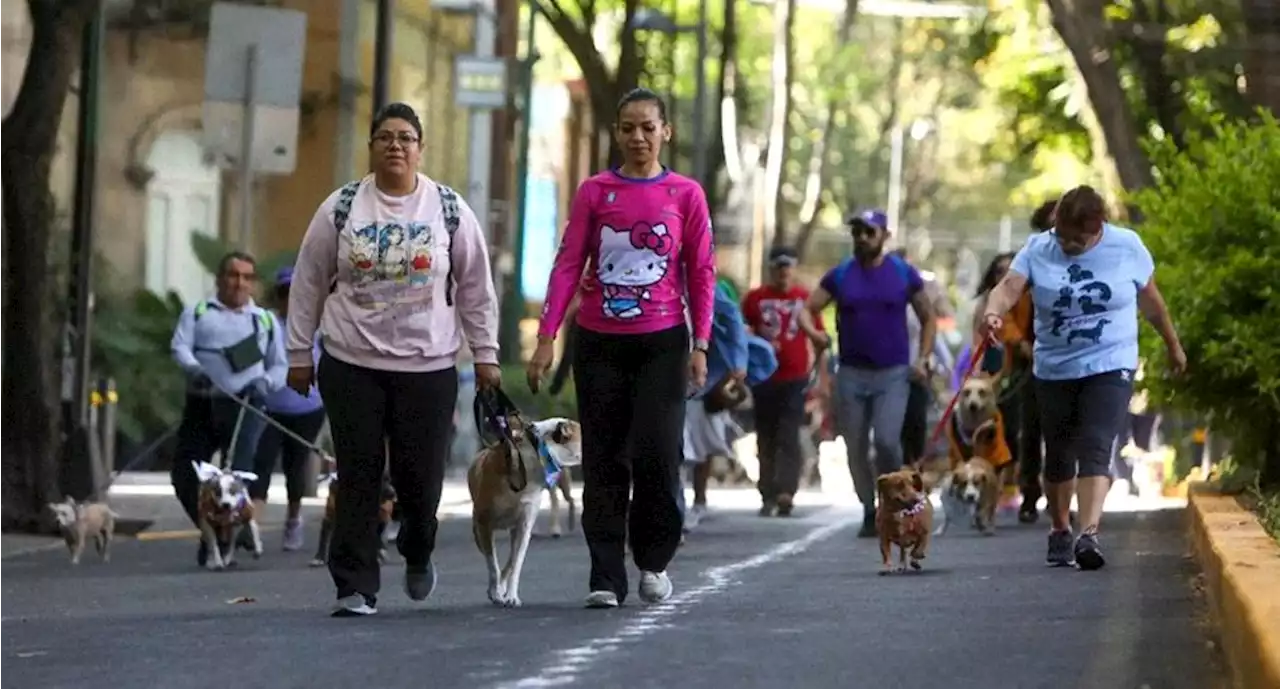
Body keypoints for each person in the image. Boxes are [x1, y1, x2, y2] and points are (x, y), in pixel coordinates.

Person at [285, 102, 502, 616]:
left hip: (427, 368)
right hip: (351, 362)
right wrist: (299, 353)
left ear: (420, 149)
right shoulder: (340, 208)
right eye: (385, 137)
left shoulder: (448, 210)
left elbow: (476, 288)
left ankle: (418, 547)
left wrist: (487, 354)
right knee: (357, 476)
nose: (396, 146)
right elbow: (308, 281)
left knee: (420, 482)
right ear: (372, 147)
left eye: (406, 137)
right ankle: (355, 585)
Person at [527, 87, 716, 609]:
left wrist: (700, 343)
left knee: (658, 455)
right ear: (617, 132)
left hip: (661, 343)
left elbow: (700, 272)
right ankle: (605, 575)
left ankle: (653, 560)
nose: (638, 137)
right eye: (628, 128)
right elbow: (568, 262)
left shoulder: (685, 195)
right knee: (605, 460)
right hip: (600, 344)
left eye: (648, 128)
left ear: (665, 133)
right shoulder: (595, 191)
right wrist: (547, 337)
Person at [981, 185, 1185, 570]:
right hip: (1055, 366)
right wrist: (994, 313)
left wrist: (1173, 345)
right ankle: (1060, 527)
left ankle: (1088, 533)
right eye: (1063, 235)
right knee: (1057, 454)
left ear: (1099, 227)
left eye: (1078, 238)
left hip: (1111, 361)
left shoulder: (1127, 246)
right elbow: (1008, 288)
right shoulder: (1039, 247)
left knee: (1096, 443)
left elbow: (1152, 302)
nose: (1068, 244)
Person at [808, 209, 935, 538]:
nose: (862, 238)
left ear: (884, 236)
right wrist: (815, 334)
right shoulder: (841, 274)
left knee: (887, 441)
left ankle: (894, 502)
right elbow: (807, 309)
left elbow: (928, 317)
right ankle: (869, 507)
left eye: (869, 232)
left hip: (893, 373)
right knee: (855, 447)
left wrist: (923, 358)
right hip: (851, 373)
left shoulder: (903, 273)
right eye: (857, 232)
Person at [170, 251, 287, 566]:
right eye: (233, 275)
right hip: (202, 402)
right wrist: (195, 369)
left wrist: (265, 382)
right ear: (220, 279)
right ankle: (208, 528)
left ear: (254, 284)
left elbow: (279, 366)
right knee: (184, 474)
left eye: (247, 277)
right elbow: (180, 347)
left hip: (246, 405)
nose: (239, 283)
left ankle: (223, 543)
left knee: (235, 478)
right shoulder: (197, 313)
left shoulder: (265, 321)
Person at [682, 277, 778, 531]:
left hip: (706, 375)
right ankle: (673, 507)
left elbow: (733, 319)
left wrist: (738, 364)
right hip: (667, 371)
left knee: (702, 445)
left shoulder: (707, 284)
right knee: (674, 445)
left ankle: (699, 501)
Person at [741, 246, 828, 517]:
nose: (783, 271)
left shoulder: (805, 298)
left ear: (794, 267)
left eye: (788, 265)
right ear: (771, 268)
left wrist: (822, 378)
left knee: (789, 434)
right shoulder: (755, 298)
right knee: (765, 435)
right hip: (763, 377)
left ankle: (786, 491)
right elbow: (742, 334)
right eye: (778, 266)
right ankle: (767, 491)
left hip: (795, 377)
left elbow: (820, 339)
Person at [248, 266, 327, 552]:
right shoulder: (266, 324)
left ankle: (294, 518)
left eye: (296, 292)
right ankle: (252, 525)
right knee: (261, 464)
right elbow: (246, 356)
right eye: (284, 293)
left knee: (296, 468)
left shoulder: (319, 327)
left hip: (308, 409)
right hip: (269, 408)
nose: (290, 299)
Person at [969, 252, 1032, 511]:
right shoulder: (986, 304)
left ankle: (1011, 485)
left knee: (1016, 430)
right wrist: (978, 374)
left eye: (1009, 271)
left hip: (1019, 370)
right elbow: (977, 341)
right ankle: (986, 483)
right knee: (992, 430)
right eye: (998, 272)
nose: (1003, 277)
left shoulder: (1026, 299)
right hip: (991, 372)